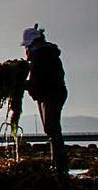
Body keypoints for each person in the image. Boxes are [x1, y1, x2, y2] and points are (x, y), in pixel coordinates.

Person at [22, 24, 68, 174]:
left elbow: (40, 80)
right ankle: (58, 165)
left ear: (37, 42)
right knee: (51, 129)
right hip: (48, 94)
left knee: (52, 128)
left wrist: (24, 84)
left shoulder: (44, 55)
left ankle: (60, 166)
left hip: (52, 94)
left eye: (29, 46)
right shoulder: (43, 54)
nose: (28, 50)